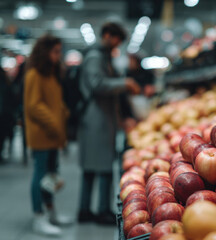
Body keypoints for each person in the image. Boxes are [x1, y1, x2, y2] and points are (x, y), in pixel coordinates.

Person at [77, 22, 140, 225]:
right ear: (107, 35)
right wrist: (124, 83)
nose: (116, 45)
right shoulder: (96, 57)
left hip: (101, 117)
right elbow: (96, 84)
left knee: (92, 167)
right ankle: (102, 210)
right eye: (116, 40)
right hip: (97, 119)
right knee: (103, 165)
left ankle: (85, 209)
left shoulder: (101, 56)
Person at [24, 35, 71, 236]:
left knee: (51, 174)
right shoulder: (34, 75)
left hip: (53, 134)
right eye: (55, 51)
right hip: (42, 134)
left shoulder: (51, 74)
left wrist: (63, 114)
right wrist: (54, 122)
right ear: (44, 52)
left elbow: (54, 102)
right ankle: (38, 216)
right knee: (40, 175)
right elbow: (33, 106)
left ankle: (51, 212)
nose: (58, 56)